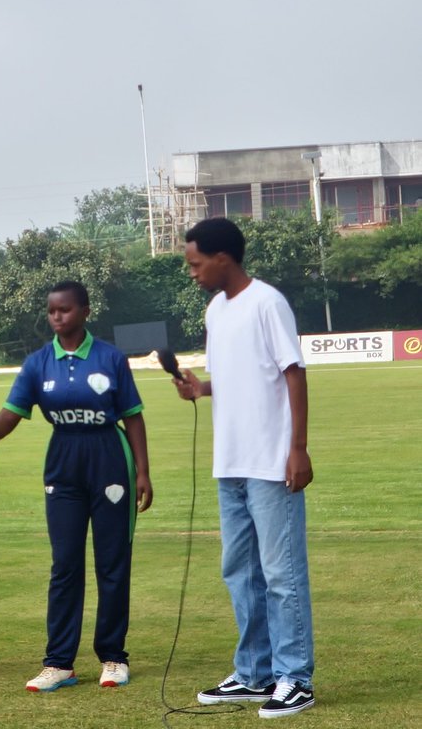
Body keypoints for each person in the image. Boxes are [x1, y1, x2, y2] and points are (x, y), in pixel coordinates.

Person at [0, 280, 152, 692]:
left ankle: (113, 657)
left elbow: (133, 417)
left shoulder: (110, 358)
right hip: (63, 466)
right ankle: (59, 664)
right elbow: (12, 411)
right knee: (64, 565)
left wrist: (142, 471)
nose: (57, 317)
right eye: (51, 311)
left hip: (110, 462)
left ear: (85, 311)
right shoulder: (38, 363)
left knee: (111, 563)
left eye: (65, 310)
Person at [173, 217, 315, 719]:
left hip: (271, 461)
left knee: (282, 574)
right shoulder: (216, 309)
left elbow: (293, 375)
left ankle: (294, 677)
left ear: (223, 259)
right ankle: (255, 674)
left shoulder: (267, 302)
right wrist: (200, 389)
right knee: (240, 572)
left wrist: (297, 448)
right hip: (228, 461)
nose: (192, 272)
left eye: (195, 263)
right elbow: (234, 377)